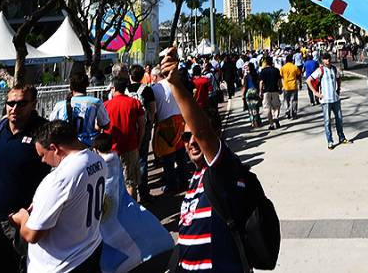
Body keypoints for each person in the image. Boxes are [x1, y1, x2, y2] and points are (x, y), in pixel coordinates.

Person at [159, 48, 256, 272]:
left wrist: (175, 84)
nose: (191, 142)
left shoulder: (223, 169)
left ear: (216, 134)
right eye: (185, 136)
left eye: (195, 136)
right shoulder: (196, 177)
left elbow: (202, 133)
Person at [0, 85, 51, 273]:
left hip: (26, 223)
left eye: (21, 103)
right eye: (10, 103)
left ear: (33, 104)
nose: (14, 108)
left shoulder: (44, 132)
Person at [9, 121, 106, 273]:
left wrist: (22, 218)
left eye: (42, 155)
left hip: (62, 264)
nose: (42, 160)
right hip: (90, 248)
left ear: (54, 149)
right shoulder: (98, 160)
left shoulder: (59, 179)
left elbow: (32, 234)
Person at [90, 134, 173, 273]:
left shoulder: (99, 163)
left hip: (107, 203)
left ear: (97, 148)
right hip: (119, 197)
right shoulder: (115, 157)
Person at [104, 76, 146, 201]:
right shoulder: (134, 102)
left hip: (111, 149)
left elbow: (98, 125)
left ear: (114, 88)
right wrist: (139, 141)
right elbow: (142, 125)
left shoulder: (106, 105)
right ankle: (131, 211)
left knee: (111, 182)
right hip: (131, 146)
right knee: (131, 182)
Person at [49, 73, 111, 147]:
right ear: (87, 85)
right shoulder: (95, 102)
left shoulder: (59, 105)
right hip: (88, 145)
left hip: (66, 145)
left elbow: (51, 125)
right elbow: (106, 124)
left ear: (71, 87)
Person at [128, 65, 157, 201]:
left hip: (129, 129)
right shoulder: (147, 90)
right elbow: (152, 109)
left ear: (130, 75)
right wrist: (150, 122)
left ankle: (130, 190)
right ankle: (144, 192)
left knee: (129, 161)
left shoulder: (125, 89)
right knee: (142, 160)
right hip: (143, 128)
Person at [307, 54, 349, 150]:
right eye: (325, 59)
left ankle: (341, 137)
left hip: (335, 99)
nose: (327, 61)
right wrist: (315, 93)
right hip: (325, 100)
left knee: (339, 119)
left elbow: (338, 78)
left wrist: (338, 89)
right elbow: (309, 80)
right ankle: (330, 141)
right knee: (327, 121)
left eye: (328, 59)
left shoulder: (334, 69)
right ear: (322, 60)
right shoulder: (320, 70)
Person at [259, 56, 283, 129]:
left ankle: (271, 124)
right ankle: (276, 117)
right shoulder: (276, 70)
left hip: (266, 91)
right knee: (276, 106)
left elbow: (261, 82)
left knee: (267, 107)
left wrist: (260, 91)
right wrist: (280, 88)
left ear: (266, 62)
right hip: (275, 90)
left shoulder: (263, 71)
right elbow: (279, 81)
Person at [280, 54, 302, 120]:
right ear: (292, 60)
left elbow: (281, 77)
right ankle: (294, 113)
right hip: (294, 86)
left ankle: (287, 111)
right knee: (294, 100)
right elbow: (299, 76)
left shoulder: (283, 67)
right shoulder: (295, 67)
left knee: (287, 100)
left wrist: (281, 86)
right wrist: (300, 84)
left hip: (286, 86)